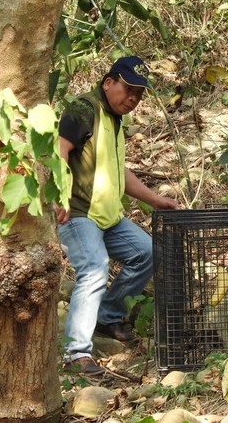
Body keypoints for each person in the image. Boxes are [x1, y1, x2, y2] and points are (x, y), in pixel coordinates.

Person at [56, 56, 180, 374]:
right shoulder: (84, 108)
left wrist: (156, 200)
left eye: (139, 95)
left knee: (148, 252)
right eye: (128, 90)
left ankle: (107, 316)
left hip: (109, 217)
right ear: (108, 82)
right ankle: (76, 354)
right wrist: (58, 196)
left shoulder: (116, 120)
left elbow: (120, 172)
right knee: (95, 269)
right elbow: (57, 150)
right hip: (78, 213)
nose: (133, 99)